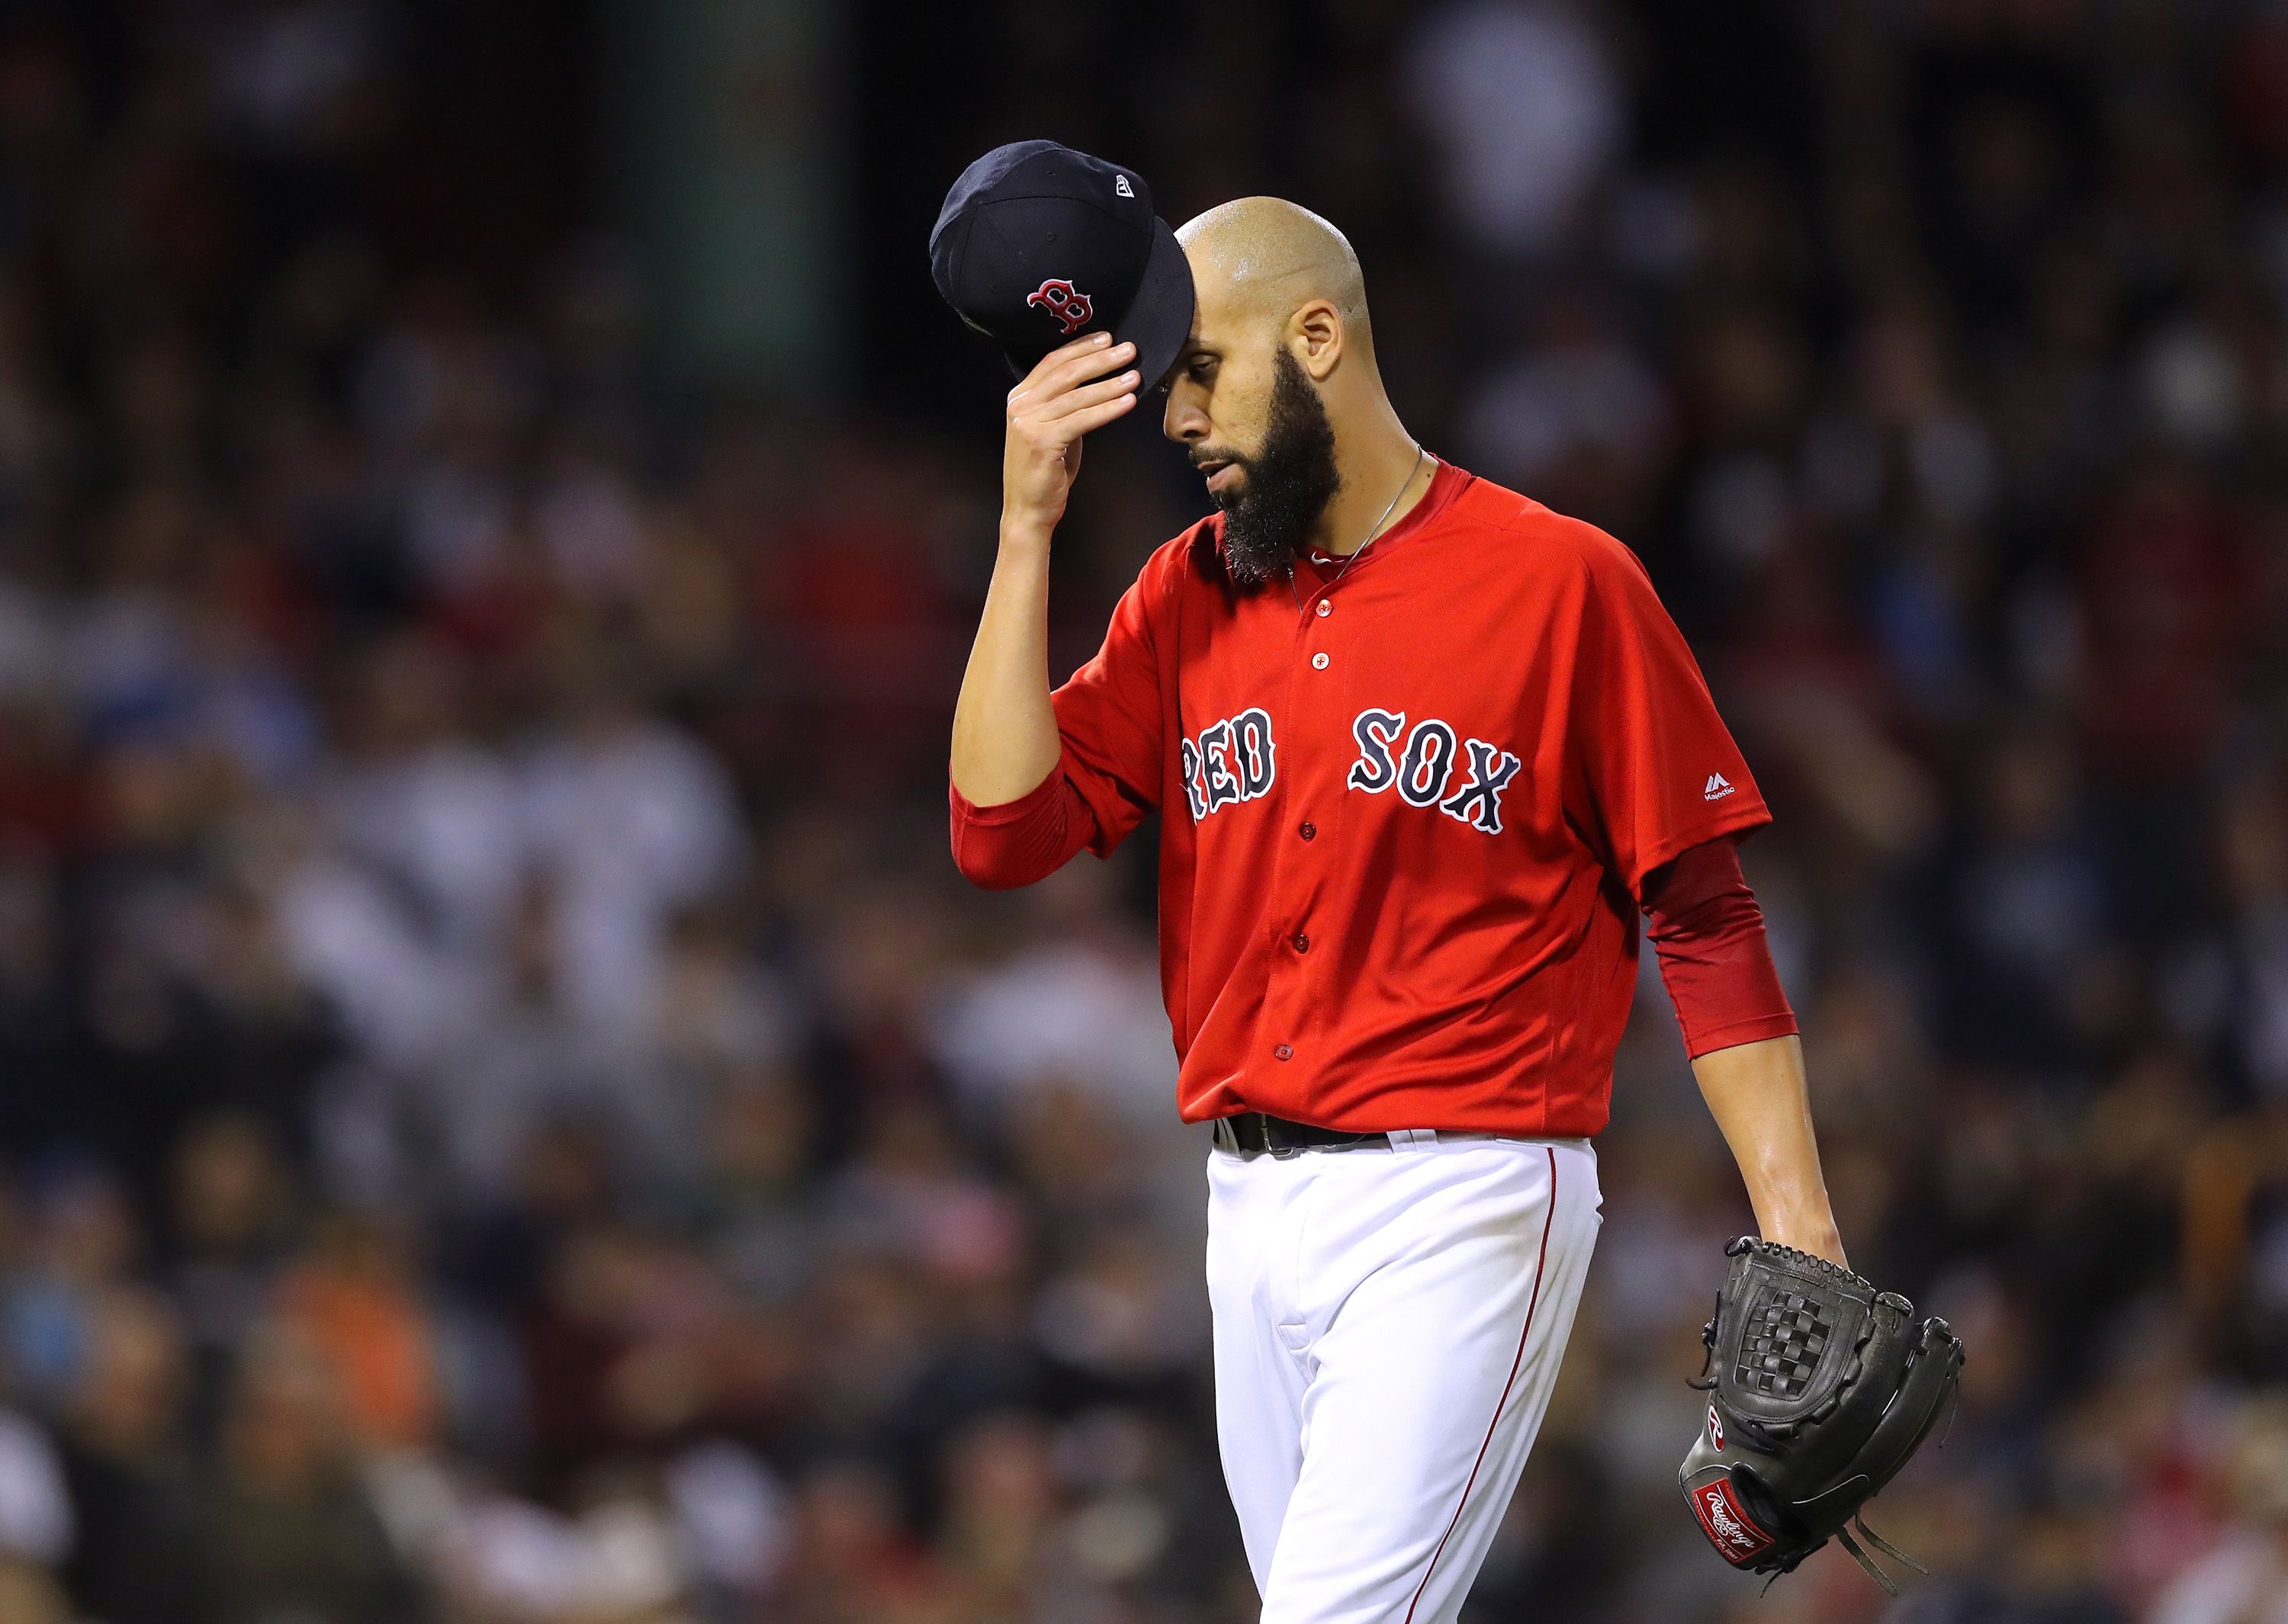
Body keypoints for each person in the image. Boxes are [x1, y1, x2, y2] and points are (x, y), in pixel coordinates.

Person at [946, 194, 1844, 1622]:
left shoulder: (1564, 584)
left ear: (1317, 337)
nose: (1176, 418)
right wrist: (1022, 528)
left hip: (1462, 1191)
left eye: (1202, 371)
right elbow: (1001, 833)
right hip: (1245, 1209)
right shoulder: (1185, 596)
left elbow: (1704, 913)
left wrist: (1797, 1216)